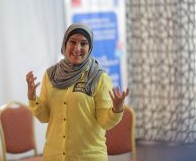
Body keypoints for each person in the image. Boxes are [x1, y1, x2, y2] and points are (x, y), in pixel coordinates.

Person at [26, 23, 129, 161]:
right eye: (73, 42)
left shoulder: (98, 77)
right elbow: (45, 116)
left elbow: (104, 122)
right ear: (64, 44)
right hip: (53, 156)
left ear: (90, 47)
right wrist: (33, 97)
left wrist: (116, 109)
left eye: (83, 43)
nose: (77, 48)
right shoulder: (51, 75)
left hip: (88, 157)